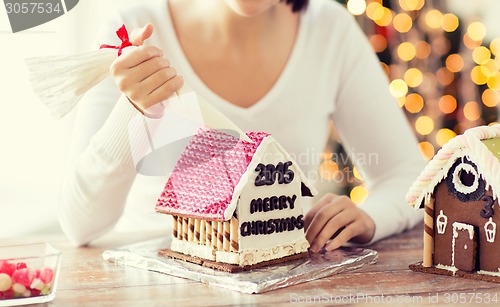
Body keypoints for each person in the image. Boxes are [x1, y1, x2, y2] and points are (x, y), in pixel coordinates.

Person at [58, 0, 424, 251]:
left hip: (284, 278)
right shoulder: (131, 26)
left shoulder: (330, 29)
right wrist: (133, 111)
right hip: (152, 281)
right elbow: (80, 225)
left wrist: (369, 217)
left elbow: (407, 176)